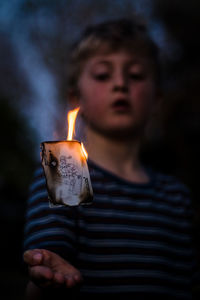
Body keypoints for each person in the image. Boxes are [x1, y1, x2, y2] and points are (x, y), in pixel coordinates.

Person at [23, 17, 199, 299]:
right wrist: (48, 274)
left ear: (157, 100)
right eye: (103, 75)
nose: (120, 84)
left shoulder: (176, 196)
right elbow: (48, 267)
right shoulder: (67, 172)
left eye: (136, 75)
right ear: (75, 98)